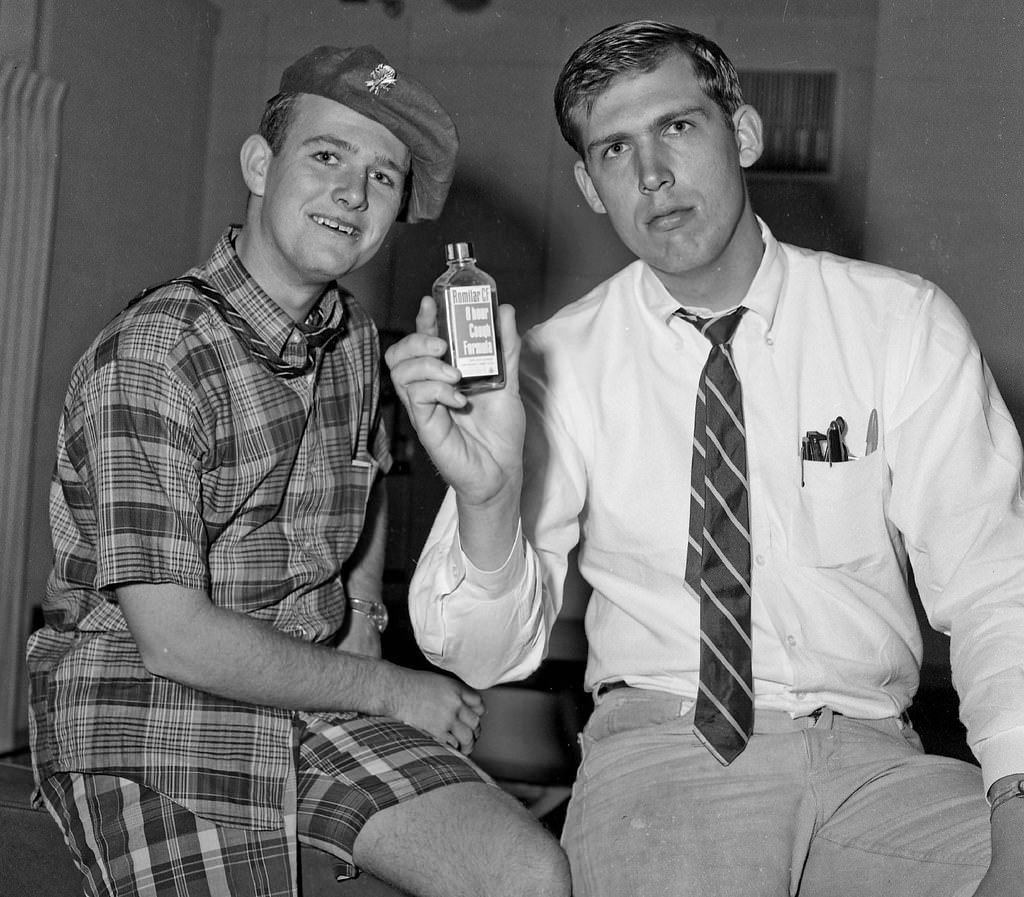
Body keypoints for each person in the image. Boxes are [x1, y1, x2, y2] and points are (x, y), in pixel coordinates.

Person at [386, 20, 1024, 897]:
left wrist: (1019, 813)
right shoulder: (554, 363)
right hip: (665, 762)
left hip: (878, 765)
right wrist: (489, 496)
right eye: (616, 149)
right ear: (589, 186)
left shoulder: (898, 324)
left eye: (677, 128)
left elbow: (999, 581)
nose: (651, 174)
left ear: (746, 134)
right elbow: (483, 652)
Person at [26, 45, 570, 897]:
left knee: (528, 872)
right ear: (258, 163)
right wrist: (386, 686)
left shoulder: (351, 336)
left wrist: (359, 610)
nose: (353, 194)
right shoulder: (157, 354)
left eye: (383, 177)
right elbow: (174, 638)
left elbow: (370, 468)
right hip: (151, 705)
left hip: (310, 699)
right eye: (327, 156)